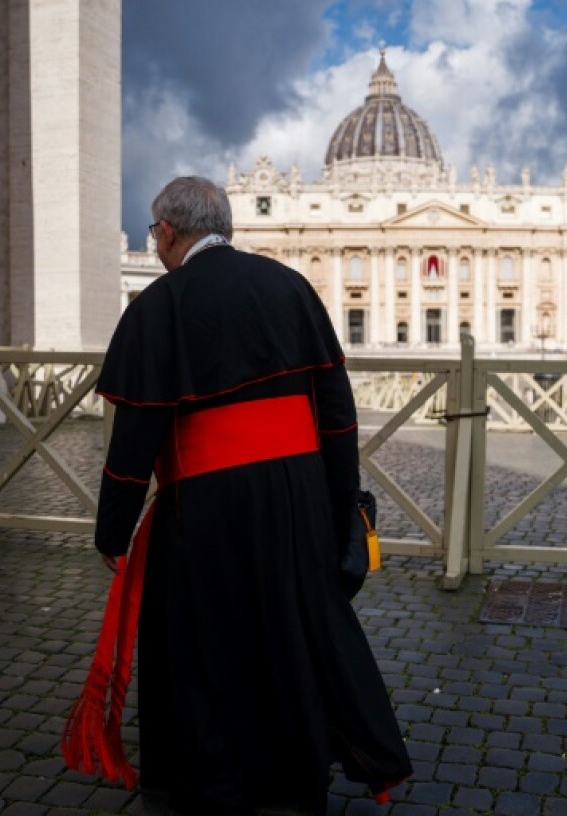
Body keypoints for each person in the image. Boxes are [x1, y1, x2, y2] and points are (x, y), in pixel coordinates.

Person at [73, 177, 412, 814]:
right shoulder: (290, 285)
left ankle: (217, 784)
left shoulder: (159, 303)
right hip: (297, 497)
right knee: (292, 634)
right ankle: (296, 776)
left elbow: (134, 438)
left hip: (203, 506)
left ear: (168, 233)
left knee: (207, 646)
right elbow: (337, 414)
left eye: (155, 236)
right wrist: (343, 505)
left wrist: (112, 532)